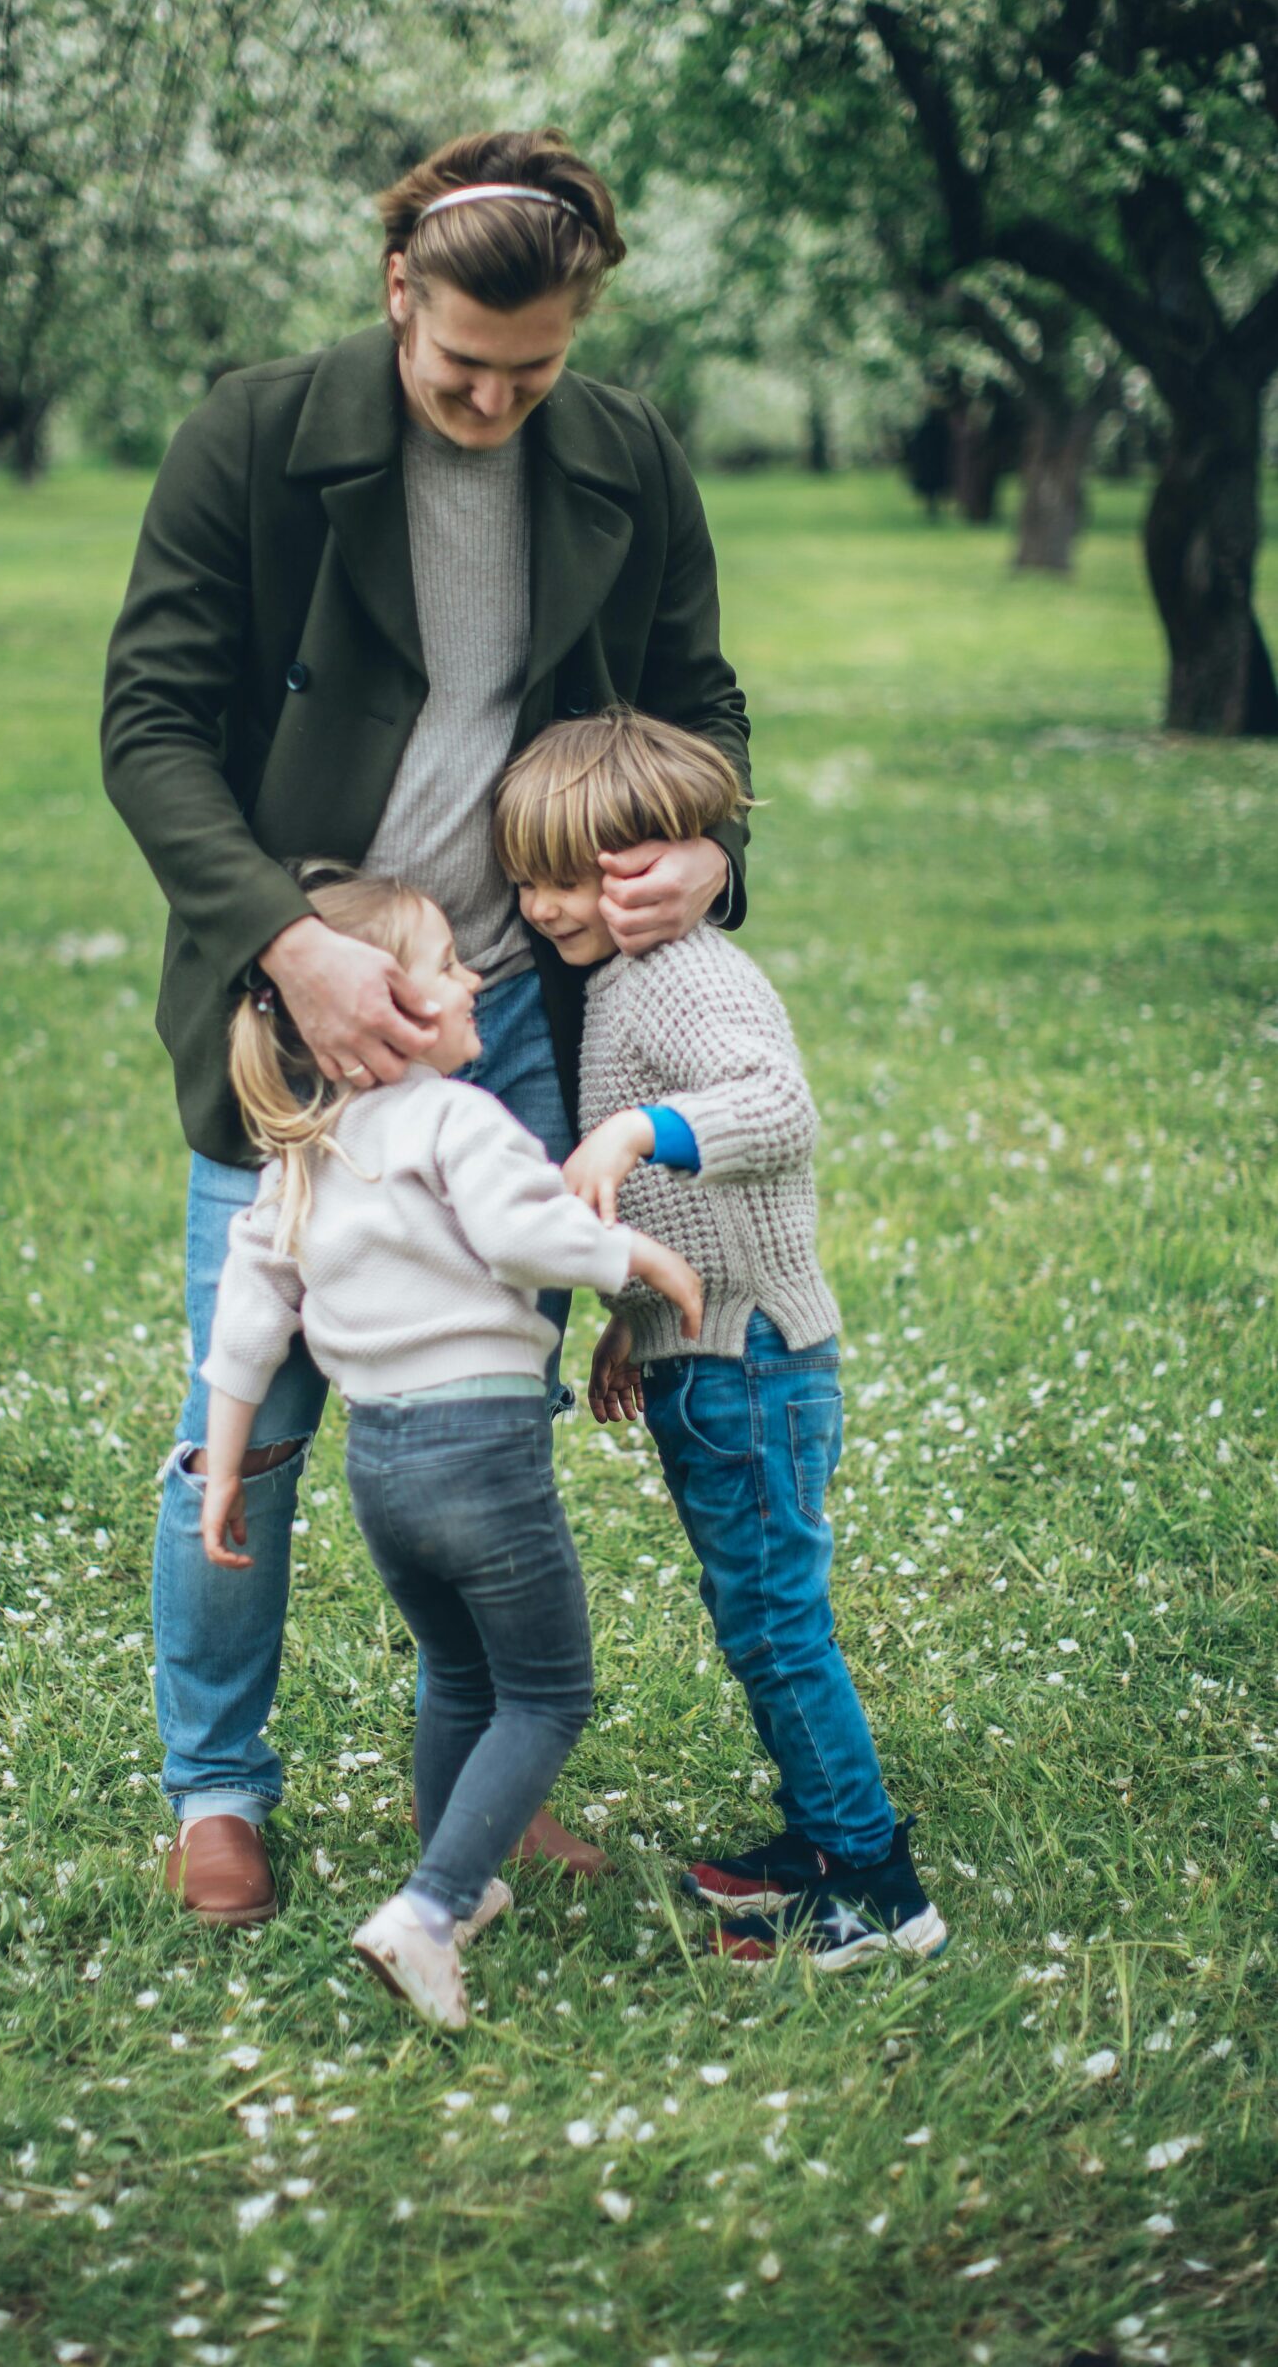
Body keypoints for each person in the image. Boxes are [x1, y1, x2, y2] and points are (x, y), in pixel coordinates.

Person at [101, 127, 751, 1926]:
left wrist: (702, 846)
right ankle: (218, 1791)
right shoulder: (254, 438)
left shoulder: (620, 456)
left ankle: (467, 1775)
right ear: (398, 290)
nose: (491, 400)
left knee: (476, 1412)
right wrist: (284, 948)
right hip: (296, 1013)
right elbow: (148, 729)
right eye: (461, 363)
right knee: (260, 1404)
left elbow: (700, 709)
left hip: (509, 1012)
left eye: (531, 370)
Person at [196, 865, 702, 2021]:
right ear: (379, 1011)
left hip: (381, 1468)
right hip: (481, 1449)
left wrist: (225, 1468)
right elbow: (523, 1234)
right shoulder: (457, 1116)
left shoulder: (305, 1154)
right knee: (547, 1690)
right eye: (443, 962)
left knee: (462, 1672)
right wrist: (642, 1266)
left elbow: (246, 1323)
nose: (475, 973)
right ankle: (430, 1908)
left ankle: (455, 1883)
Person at [493, 710, 947, 1969]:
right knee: (756, 1613)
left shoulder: (681, 973)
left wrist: (636, 1133)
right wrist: (633, 1328)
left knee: (777, 1624)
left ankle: (873, 1887)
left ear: (641, 863)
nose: (536, 906)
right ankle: (819, 1837)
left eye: (561, 877)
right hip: (712, 1357)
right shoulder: (625, 980)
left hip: (755, 1365)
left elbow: (776, 1105)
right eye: (522, 877)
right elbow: (684, 1221)